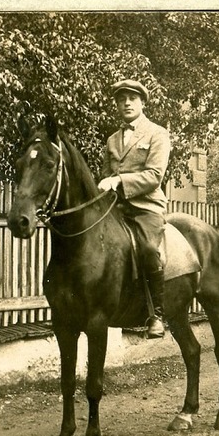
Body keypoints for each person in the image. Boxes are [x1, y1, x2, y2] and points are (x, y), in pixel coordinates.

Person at [95, 79, 173, 339]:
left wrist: (118, 181)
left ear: (142, 102)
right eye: (121, 99)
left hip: (146, 206)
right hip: (116, 208)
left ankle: (157, 315)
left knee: (150, 250)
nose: (126, 103)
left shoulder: (157, 133)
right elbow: (106, 175)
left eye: (132, 98)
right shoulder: (111, 140)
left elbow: (154, 176)